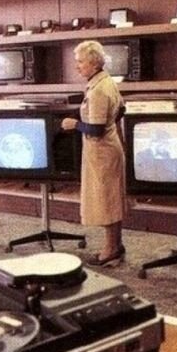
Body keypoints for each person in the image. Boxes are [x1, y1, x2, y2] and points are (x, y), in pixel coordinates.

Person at [61, 40, 127, 267]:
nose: (77, 66)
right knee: (112, 200)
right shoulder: (107, 82)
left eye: (80, 62)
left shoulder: (98, 90)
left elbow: (96, 129)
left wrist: (74, 124)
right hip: (109, 148)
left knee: (106, 202)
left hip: (102, 152)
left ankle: (110, 250)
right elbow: (121, 110)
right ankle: (116, 245)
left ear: (94, 63)